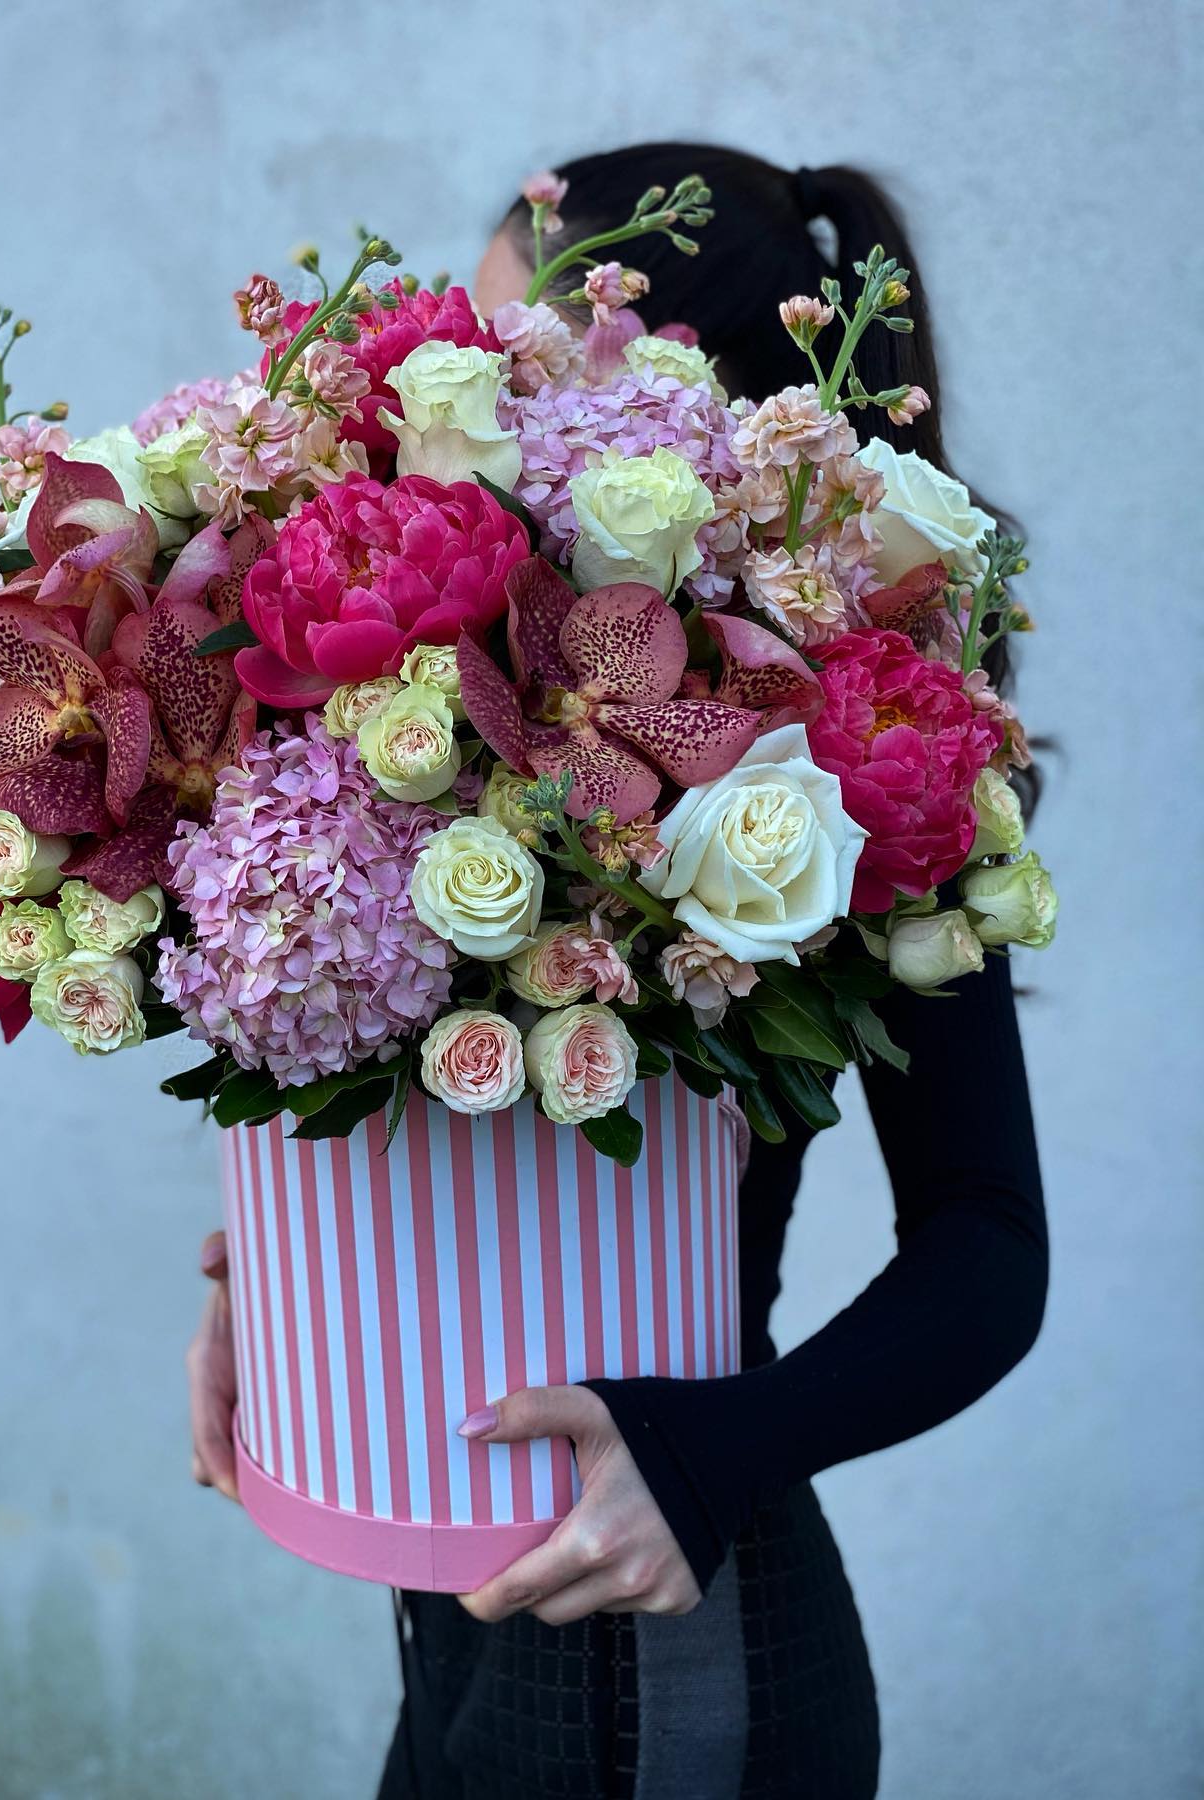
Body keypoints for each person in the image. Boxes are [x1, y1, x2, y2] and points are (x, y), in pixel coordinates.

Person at [186, 143, 1048, 1800]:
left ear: (676, 412)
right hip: (447, 1617)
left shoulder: (836, 793)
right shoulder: (419, 735)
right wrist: (269, 1293)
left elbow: (990, 1249)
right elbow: (413, 1118)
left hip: (673, 1634)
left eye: (522, 378)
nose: (480, 429)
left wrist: (713, 1453)